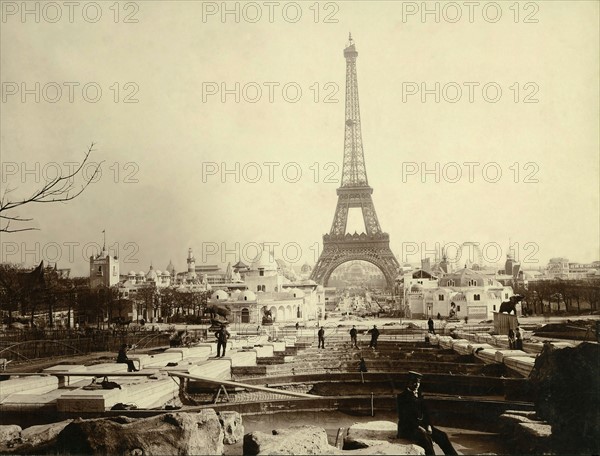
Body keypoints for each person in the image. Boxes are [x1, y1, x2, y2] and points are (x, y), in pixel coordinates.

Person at [396, 371, 457, 455]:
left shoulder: (419, 395)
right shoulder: (402, 397)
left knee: (442, 436)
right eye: (414, 382)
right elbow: (404, 417)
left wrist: (429, 425)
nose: (417, 385)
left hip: (422, 426)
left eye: (418, 382)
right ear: (408, 383)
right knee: (425, 439)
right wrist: (419, 427)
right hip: (408, 428)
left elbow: (426, 412)